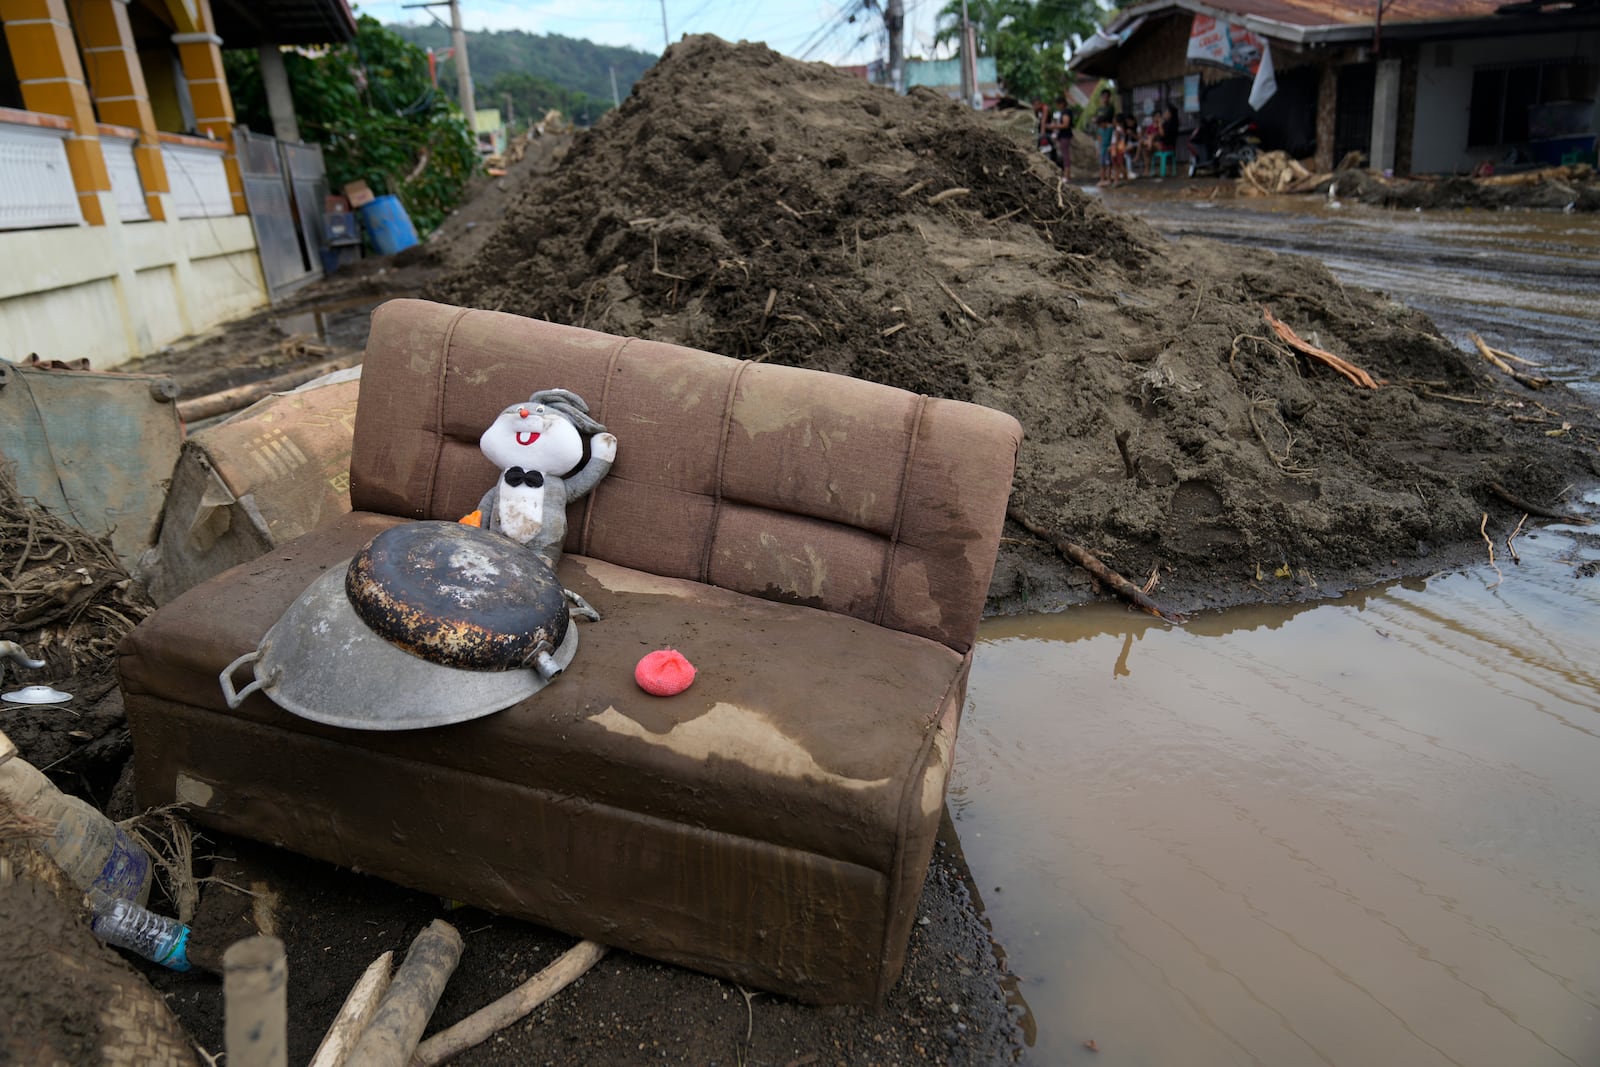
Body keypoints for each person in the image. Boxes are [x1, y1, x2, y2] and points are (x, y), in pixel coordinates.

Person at [1045, 95, 1076, 182]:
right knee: (1064, 155)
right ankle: (1066, 174)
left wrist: (1054, 126)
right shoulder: (1063, 112)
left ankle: (1067, 175)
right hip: (1062, 136)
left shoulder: (1066, 112)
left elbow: (1065, 125)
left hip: (1065, 136)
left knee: (1066, 156)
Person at [1094, 88, 1117, 185]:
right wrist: (1098, 149)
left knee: (1108, 164)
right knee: (1102, 164)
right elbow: (1099, 139)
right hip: (1102, 147)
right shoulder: (1099, 109)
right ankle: (1102, 178)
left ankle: (1108, 178)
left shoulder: (1110, 108)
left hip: (1108, 147)